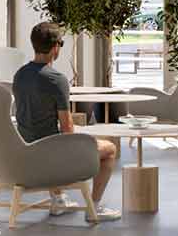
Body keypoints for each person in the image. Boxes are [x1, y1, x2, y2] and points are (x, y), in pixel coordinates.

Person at [14, 21, 118, 216]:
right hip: (51, 156)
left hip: (26, 151)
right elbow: (67, 129)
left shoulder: (19, 75)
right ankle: (93, 208)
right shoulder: (56, 80)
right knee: (110, 149)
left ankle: (59, 199)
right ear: (55, 47)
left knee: (54, 136)